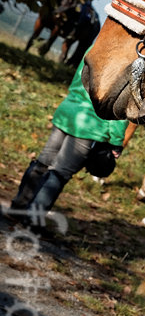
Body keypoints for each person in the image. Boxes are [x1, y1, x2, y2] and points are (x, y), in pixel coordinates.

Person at [6, 54, 127, 223]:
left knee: (43, 162)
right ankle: (32, 221)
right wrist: (116, 141)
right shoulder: (126, 59)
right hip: (89, 124)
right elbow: (118, 109)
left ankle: (18, 207)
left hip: (68, 110)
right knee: (60, 172)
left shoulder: (96, 47)